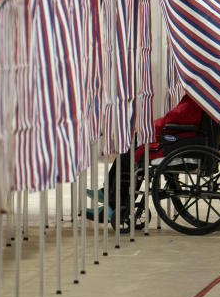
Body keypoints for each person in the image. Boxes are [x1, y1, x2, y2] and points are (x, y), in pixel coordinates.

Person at [86, 93, 203, 223]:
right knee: (130, 151)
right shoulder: (203, 103)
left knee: (127, 156)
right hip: (181, 140)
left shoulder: (193, 103)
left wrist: (149, 127)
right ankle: (109, 194)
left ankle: (113, 204)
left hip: (175, 143)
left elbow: (169, 121)